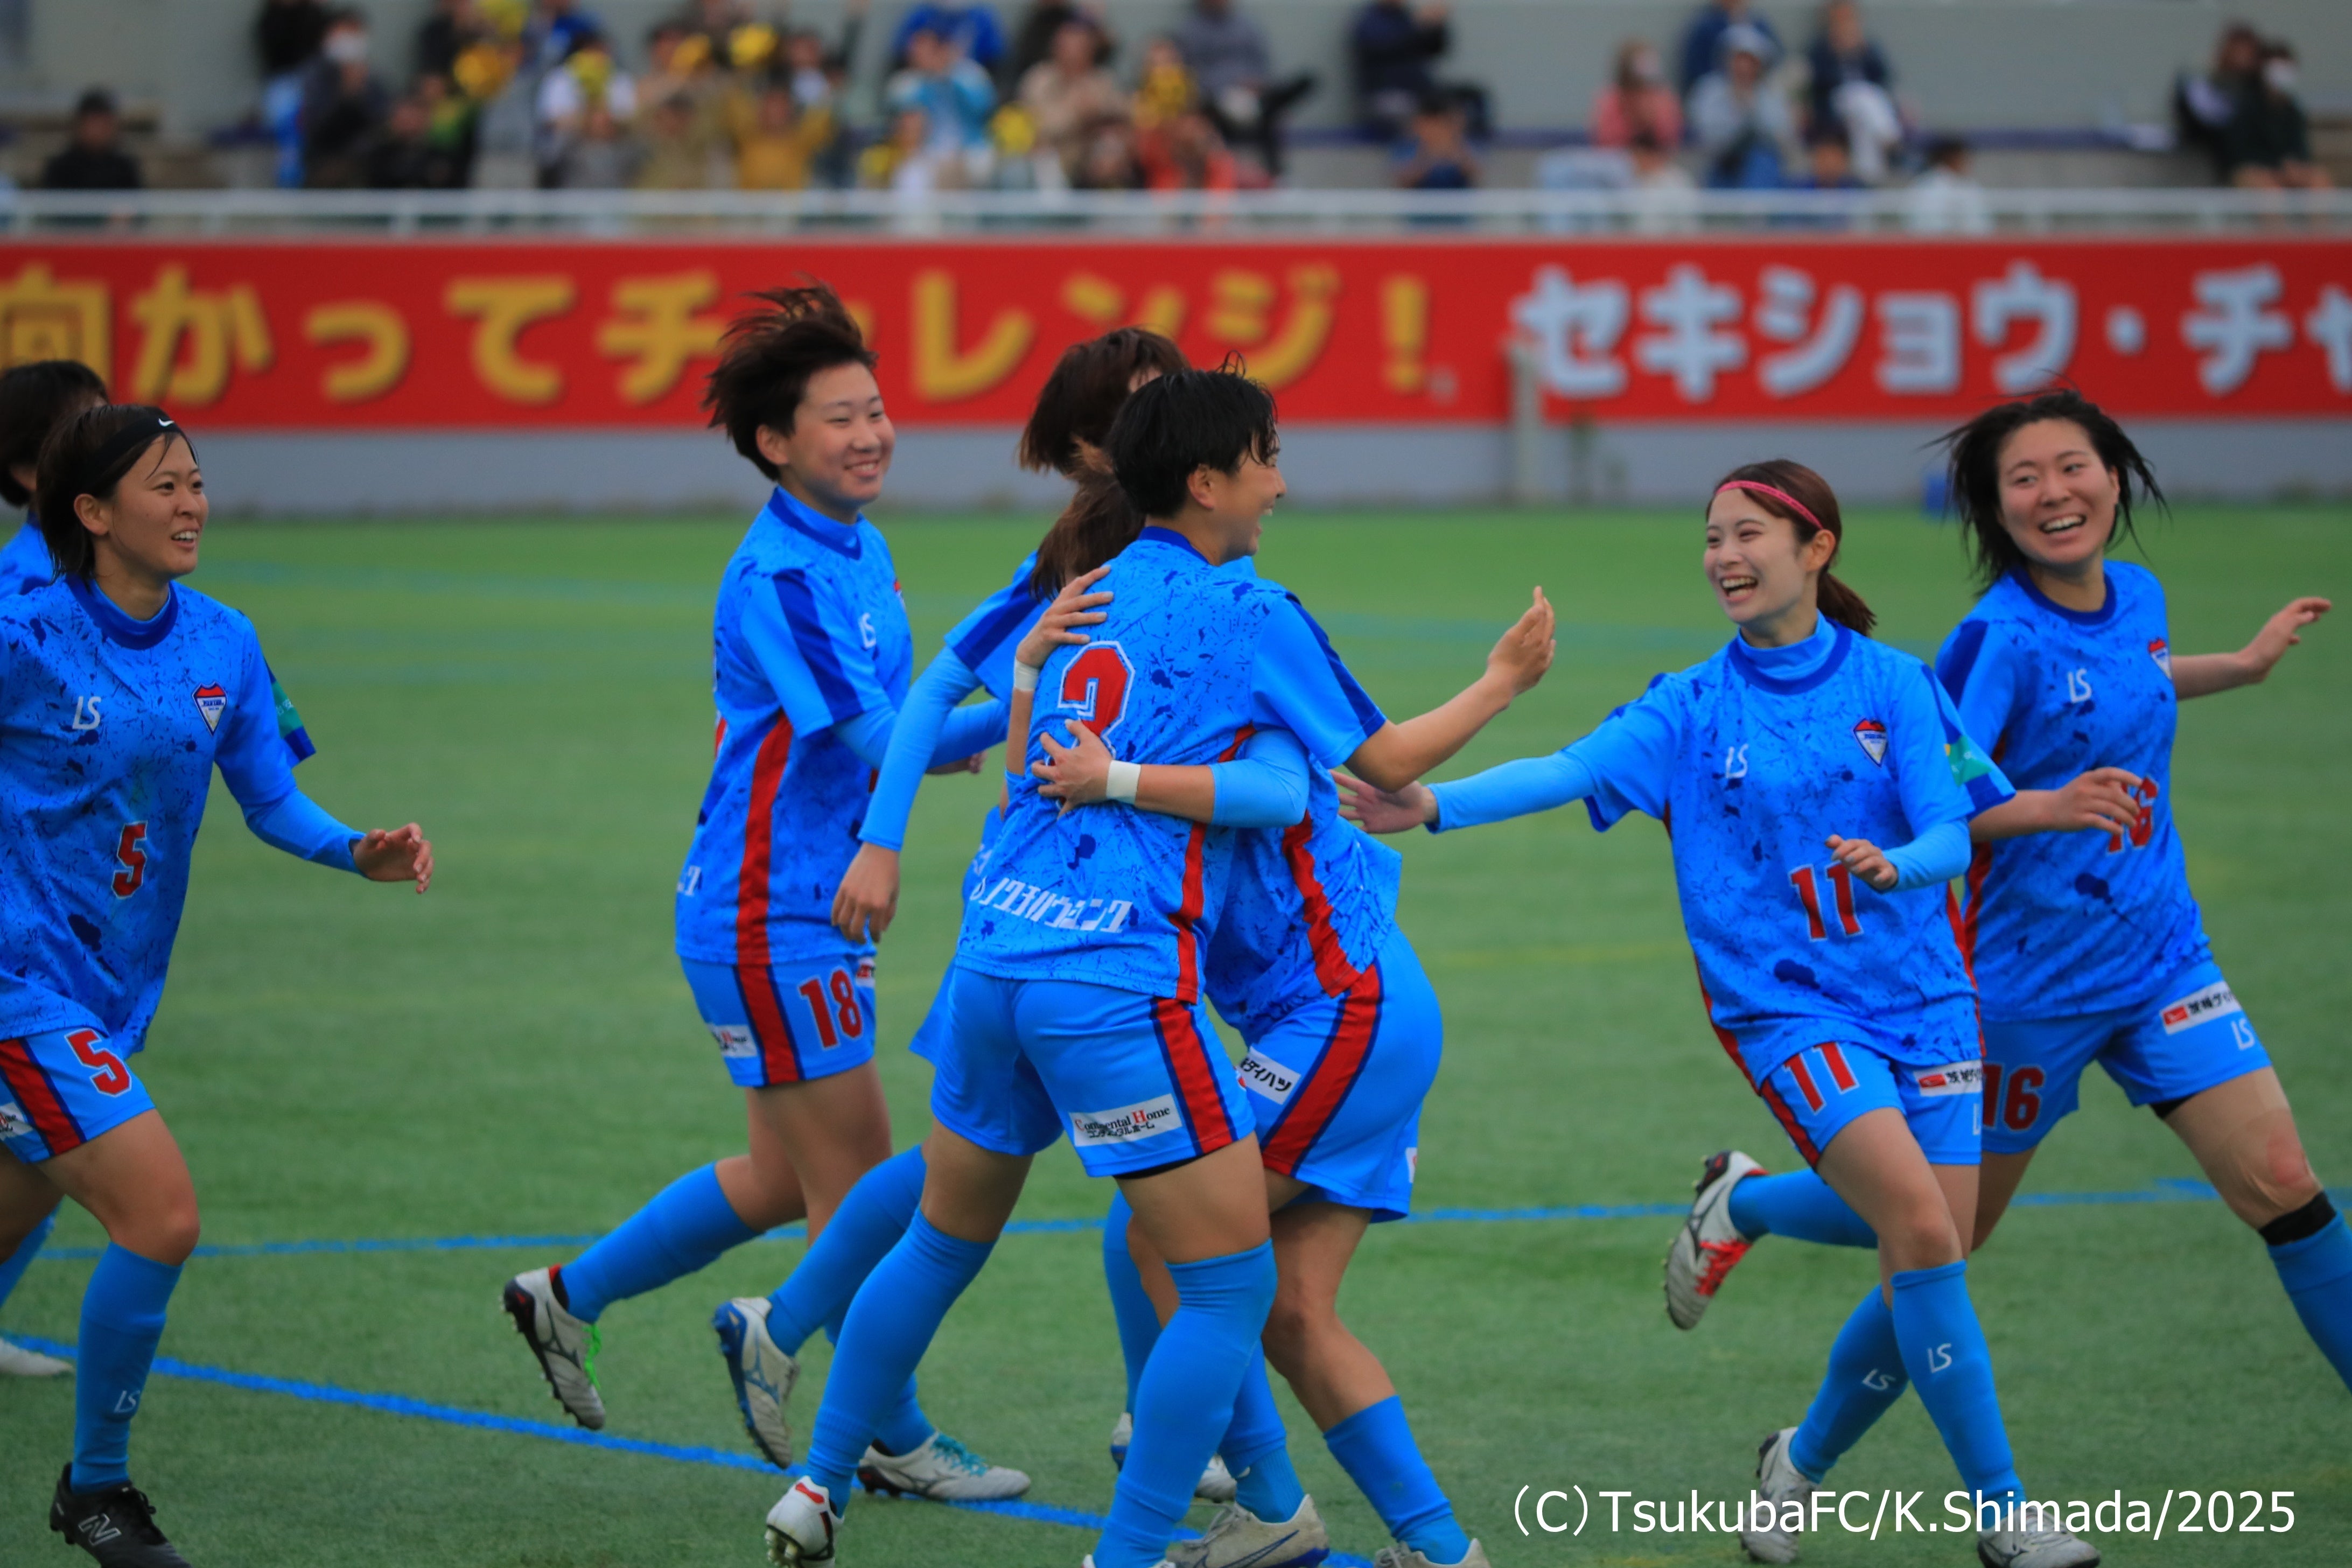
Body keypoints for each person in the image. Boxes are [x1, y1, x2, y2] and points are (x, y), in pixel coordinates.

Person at [760, 363, 1553, 1568]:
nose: (1281, 483)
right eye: (1267, 459)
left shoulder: (1083, 595)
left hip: (1000, 954)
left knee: (993, 1236)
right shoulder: (1252, 618)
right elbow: (1371, 766)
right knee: (1234, 1286)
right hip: (1157, 980)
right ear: (1205, 480)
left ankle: (820, 1483)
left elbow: (1027, 761)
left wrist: (1042, 703)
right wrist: (1498, 684)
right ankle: (1212, 1538)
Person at [1340, 460, 2099, 1568]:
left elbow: (1951, 826)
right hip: (1784, 1008)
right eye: (1711, 538)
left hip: (1929, 1001)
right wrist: (1433, 804)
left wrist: (1899, 864)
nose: (1724, 557)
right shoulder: (1689, 706)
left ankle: (1787, 1419)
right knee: (1927, 1233)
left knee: (1924, 1246)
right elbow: (1566, 769)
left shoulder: (1895, 682)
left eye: (1748, 534)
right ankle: (2004, 1513)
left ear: (1816, 547)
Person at [1664, 394, 2351, 1413]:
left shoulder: (2140, 595)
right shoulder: (1995, 640)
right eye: (2022, 479)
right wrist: (2051, 806)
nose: (2052, 493)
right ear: (1995, 509)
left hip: (2163, 960)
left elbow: (2125, 679)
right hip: (2019, 989)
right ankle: (1756, 1223)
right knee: (1941, 1234)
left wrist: (2241, 667)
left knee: (2284, 1182)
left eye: (2071, 467)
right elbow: (1939, 799)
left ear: (2114, 476)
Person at [499, 285, 1027, 1505]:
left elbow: (888, 733)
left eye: (877, 409)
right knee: (868, 1188)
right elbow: (875, 736)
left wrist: (980, 719)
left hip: (790, 905)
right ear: (773, 442)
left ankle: (565, 1297)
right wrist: (1027, 704)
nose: (872, 433)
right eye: (842, 418)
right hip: (773, 911)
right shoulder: (783, 573)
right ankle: (885, 1432)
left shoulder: (855, 544)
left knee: (785, 1177)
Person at [709, 329, 1188, 1487]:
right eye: (1146, 407)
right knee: (1162, 1176)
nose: (1179, 423)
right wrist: (883, 841)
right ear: (1092, 447)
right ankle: (1180, 1437)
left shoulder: (1175, 539)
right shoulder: (1088, 551)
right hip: (1072, 913)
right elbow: (924, 701)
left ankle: (794, 1352)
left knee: (964, 1177)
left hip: (1062, 907)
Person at [1, 403, 432, 1566]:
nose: (192, 503)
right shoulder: (21, 629)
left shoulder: (224, 640)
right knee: (161, 1215)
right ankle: (97, 1490)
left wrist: (354, 848)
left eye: (196, 481)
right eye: (164, 485)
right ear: (92, 513)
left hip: (106, 991)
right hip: (16, 985)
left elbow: (269, 795)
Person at [1023, 589, 1522, 1567]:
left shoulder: (1245, 707)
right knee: (1289, 1311)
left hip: (1346, 1016)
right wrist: (1022, 676)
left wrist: (1115, 775)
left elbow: (1286, 791)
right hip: (1345, 1019)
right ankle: (1435, 1547)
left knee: (1158, 1232)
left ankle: (1258, 1496)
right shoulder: (1163, 706)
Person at [1174, 0, 1315, 180]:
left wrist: (1257, 83)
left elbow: (1262, 61)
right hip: (1217, 101)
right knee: (1209, 110)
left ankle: (1278, 176)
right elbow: (1189, 72)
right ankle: (1225, 174)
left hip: (1257, 96)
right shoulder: (1190, 31)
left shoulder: (1248, 25)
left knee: (1298, 88)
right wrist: (1226, 87)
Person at [1019, 17, 1128, 179]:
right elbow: (1033, 124)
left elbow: (1121, 116)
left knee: (1111, 148)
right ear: (1056, 48)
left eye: (1080, 47)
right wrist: (1076, 115)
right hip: (1051, 156)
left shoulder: (1102, 80)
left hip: (1090, 158)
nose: (1073, 53)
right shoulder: (1039, 79)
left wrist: (1098, 113)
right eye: (1067, 46)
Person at [1688, 25, 1794, 190]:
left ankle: (1755, 204)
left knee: (1762, 159)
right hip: (1719, 166)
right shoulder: (1709, 90)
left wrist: (1752, 107)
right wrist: (1736, 110)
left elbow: (1782, 136)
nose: (1744, 67)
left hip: (1760, 166)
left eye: (1750, 61)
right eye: (1739, 59)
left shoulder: (1771, 93)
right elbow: (1705, 136)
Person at [2220, 42, 2332, 191]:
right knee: (2270, 190)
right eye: (2277, 68)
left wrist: (2294, 166)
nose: (2282, 74)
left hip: (2287, 170)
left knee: (2320, 179)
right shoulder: (2246, 105)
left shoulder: (2292, 110)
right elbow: (2239, 152)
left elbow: (2301, 148)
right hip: (2257, 169)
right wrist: (2275, 166)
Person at [299, 9, 391, 188]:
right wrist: (347, 95)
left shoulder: (372, 78)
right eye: (344, 34)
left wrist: (359, 93)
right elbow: (316, 130)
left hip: (367, 160)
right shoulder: (314, 76)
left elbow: (382, 122)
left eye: (354, 34)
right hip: (323, 160)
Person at [1350, 0, 1454, 139]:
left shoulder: (1406, 17)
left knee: (1453, 113)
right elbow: (1383, 45)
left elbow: (1435, 49)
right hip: (1387, 94)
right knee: (1416, 122)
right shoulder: (1369, 20)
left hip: (1420, 93)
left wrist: (1436, 27)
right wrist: (1418, 27)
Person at [2174, 22, 2264, 182]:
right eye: (2237, 51)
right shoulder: (2203, 89)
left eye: (2247, 53)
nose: (2241, 59)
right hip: (2216, 165)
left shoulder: (2259, 95)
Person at [40, 90, 143, 193]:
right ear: (79, 125)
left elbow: (138, 199)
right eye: (92, 123)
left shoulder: (125, 168)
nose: (97, 131)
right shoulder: (60, 168)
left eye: (103, 125)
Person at [1588, 38, 1681, 152]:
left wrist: (1650, 121)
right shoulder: (1610, 101)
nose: (1643, 96)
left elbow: (1670, 139)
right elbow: (1606, 141)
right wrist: (1633, 121)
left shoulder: (1664, 99)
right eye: (1636, 88)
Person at [1677, 0, 1779, 96]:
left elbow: (1777, 56)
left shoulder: (1758, 24)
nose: (1743, 65)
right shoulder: (1705, 26)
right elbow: (1693, 69)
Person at [1906, 135, 1989, 234]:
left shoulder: (1968, 185)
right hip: (1938, 241)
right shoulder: (1928, 186)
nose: (1968, 162)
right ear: (1950, 157)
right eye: (1963, 157)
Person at [1392, 93, 1476, 190]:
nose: (1435, 130)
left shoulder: (1461, 144)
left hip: (1457, 197)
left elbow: (1475, 172)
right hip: (1420, 197)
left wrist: (1453, 151)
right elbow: (1403, 180)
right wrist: (1428, 156)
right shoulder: (1408, 147)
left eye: (1441, 125)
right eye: (1430, 125)